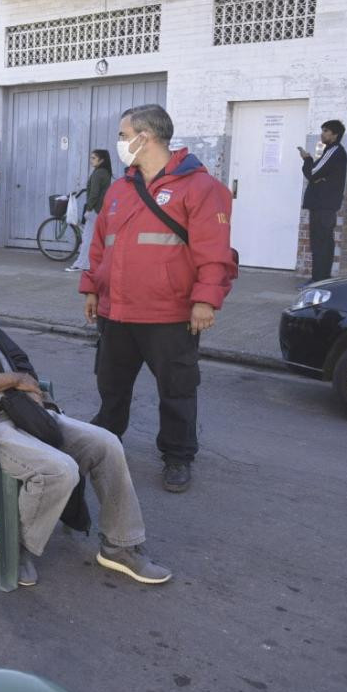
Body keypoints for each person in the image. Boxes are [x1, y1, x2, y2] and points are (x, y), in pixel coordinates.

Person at [0, 246, 172, 587]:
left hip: (17, 409)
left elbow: (9, 357)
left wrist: (29, 391)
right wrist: (14, 380)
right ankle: (13, 538)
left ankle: (121, 546)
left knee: (106, 443)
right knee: (60, 470)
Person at [80, 104, 236, 494]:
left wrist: (206, 301)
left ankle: (178, 456)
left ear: (144, 137)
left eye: (122, 134)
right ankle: (105, 443)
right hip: (117, 311)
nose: (120, 142)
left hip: (169, 314)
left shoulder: (201, 188)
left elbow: (214, 252)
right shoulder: (119, 189)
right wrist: (91, 289)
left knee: (177, 389)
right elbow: (100, 246)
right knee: (111, 385)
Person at [297, 120, 347, 283]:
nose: (322, 133)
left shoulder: (334, 151)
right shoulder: (330, 151)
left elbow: (312, 173)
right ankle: (321, 278)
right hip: (323, 206)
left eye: (326, 131)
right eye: (322, 130)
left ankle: (318, 280)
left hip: (323, 207)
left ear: (335, 134)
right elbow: (317, 175)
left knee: (321, 244)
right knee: (323, 243)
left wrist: (307, 159)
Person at [67, 150, 114, 273]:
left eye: (93, 158)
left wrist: (88, 209)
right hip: (101, 209)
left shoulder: (98, 173)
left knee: (87, 237)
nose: (91, 160)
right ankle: (91, 262)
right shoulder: (105, 172)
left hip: (95, 209)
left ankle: (82, 264)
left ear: (101, 160)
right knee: (94, 237)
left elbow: (94, 194)